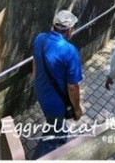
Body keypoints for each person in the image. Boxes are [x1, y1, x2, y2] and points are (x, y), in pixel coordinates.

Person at [31, 10, 83, 158]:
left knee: (55, 123)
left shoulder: (39, 39)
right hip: (56, 104)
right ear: (69, 30)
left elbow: (35, 64)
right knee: (49, 137)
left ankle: (61, 136)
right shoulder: (70, 51)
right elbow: (72, 87)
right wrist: (77, 109)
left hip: (40, 92)